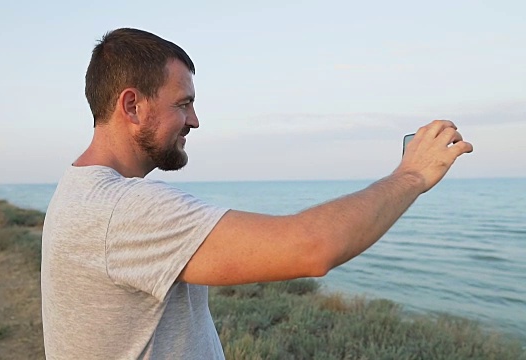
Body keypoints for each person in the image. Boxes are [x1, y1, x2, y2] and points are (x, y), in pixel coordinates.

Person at [41, 28, 473, 359]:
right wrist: (411, 175)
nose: (194, 121)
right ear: (133, 106)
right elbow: (312, 248)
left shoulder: (81, 192)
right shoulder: (121, 210)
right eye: (183, 103)